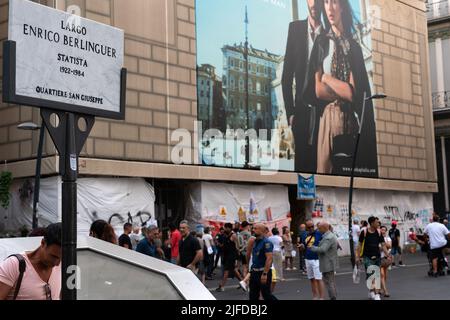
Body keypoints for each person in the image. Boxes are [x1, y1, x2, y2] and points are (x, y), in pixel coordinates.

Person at [311, 0, 377, 173]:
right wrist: (343, 88)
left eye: (334, 2)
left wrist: (325, 77)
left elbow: (351, 93)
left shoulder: (353, 47)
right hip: (326, 123)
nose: (330, 8)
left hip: (348, 122)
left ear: (342, 6)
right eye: (326, 2)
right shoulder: (321, 43)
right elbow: (318, 90)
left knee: (346, 177)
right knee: (324, 181)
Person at [282, 0, 325, 172]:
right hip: (300, 114)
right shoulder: (295, 29)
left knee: (320, 166)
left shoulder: (329, 34)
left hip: (322, 114)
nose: (314, 3)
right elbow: (286, 77)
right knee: (301, 169)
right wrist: (291, 113)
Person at [0, 223, 62, 300]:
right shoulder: (13, 265)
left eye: (61, 258)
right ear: (43, 243)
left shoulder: (63, 265)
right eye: (53, 257)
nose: (57, 263)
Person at [356, 216, 391, 300]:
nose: (378, 224)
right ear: (371, 223)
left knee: (376, 275)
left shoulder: (379, 232)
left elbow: (383, 244)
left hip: (377, 257)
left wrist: (387, 255)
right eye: (376, 222)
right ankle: (372, 291)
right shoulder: (364, 232)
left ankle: (376, 294)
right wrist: (358, 256)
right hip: (367, 257)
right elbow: (360, 245)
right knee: (370, 275)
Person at [246, 223, 277, 300]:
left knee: (266, 295)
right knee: (253, 296)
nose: (253, 230)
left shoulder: (267, 242)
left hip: (263, 272)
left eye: (255, 228)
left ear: (262, 230)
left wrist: (265, 273)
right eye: (253, 228)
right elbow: (248, 254)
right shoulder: (254, 241)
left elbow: (269, 258)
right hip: (254, 272)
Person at [310, 221, 338, 300]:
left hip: (327, 263)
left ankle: (333, 297)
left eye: (319, 228)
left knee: (329, 282)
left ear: (324, 228)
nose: (318, 230)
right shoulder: (328, 235)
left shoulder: (328, 237)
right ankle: (333, 297)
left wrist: (312, 248)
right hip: (329, 262)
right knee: (330, 281)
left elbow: (323, 249)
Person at [299, 220, 325, 299]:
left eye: (312, 226)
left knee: (318, 278)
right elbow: (304, 246)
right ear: (306, 227)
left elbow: (324, 244)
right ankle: (315, 296)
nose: (311, 228)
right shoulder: (304, 235)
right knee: (311, 279)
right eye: (309, 227)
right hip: (308, 259)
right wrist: (302, 246)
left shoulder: (319, 233)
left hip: (317, 259)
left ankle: (321, 297)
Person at [216, 223, 243, 292]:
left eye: (225, 228)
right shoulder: (225, 235)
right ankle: (243, 283)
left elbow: (237, 246)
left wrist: (237, 257)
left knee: (226, 270)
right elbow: (224, 245)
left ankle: (222, 286)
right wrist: (218, 243)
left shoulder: (233, 235)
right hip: (226, 255)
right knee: (234, 270)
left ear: (229, 228)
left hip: (231, 256)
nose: (224, 229)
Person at [380, 226, 392, 297]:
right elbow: (379, 248)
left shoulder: (388, 238)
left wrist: (383, 245)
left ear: (386, 231)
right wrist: (385, 246)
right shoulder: (378, 238)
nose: (383, 231)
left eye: (384, 230)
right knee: (382, 275)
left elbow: (390, 246)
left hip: (386, 259)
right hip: (380, 258)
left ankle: (382, 288)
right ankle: (385, 291)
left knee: (385, 275)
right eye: (381, 229)